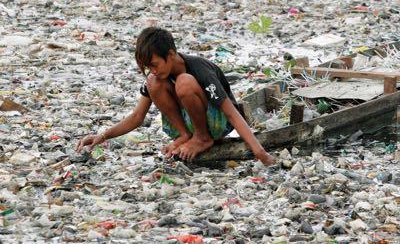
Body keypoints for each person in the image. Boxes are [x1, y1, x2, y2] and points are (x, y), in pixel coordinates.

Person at [76, 27, 275, 165]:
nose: (152, 70)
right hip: (189, 124)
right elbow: (137, 117)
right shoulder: (157, 76)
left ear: (171, 54)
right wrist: (101, 137)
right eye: (148, 67)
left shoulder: (199, 69)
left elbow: (231, 113)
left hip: (217, 123)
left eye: (154, 64)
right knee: (152, 83)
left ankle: (202, 138)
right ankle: (185, 135)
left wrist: (260, 152)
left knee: (184, 82)